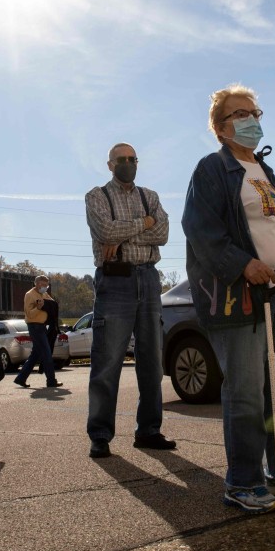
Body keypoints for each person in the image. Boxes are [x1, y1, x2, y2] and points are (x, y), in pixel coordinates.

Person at [182, 84, 275, 514]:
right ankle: (243, 482)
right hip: (239, 296)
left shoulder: (264, 170)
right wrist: (242, 264)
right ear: (220, 128)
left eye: (255, 112)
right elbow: (200, 229)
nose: (251, 120)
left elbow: (266, 221)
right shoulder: (211, 169)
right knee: (246, 392)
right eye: (240, 114)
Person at [84, 142, 174, 458]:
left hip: (149, 279)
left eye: (132, 159)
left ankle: (149, 431)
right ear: (110, 165)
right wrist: (144, 223)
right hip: (114, 280)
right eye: (121, 159)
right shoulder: (97, 196)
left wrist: (122, 234)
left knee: (151, 362)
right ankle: (100, 435)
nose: (127, 163)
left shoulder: (150, 196)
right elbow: (105, 231)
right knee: (107, 361)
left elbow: (163, 234)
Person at [13, 276, 62, 388]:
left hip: (42, 326)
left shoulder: (44, 294)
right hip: (34, 326)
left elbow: (52, 303)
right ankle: (51, 381)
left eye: (47, 285)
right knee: (46, 352)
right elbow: (29, 314)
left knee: (36, 354)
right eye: (43, 285)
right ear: (37, 284)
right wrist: (38, 308)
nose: (45, 287)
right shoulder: (29, 295)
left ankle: (21, 378)